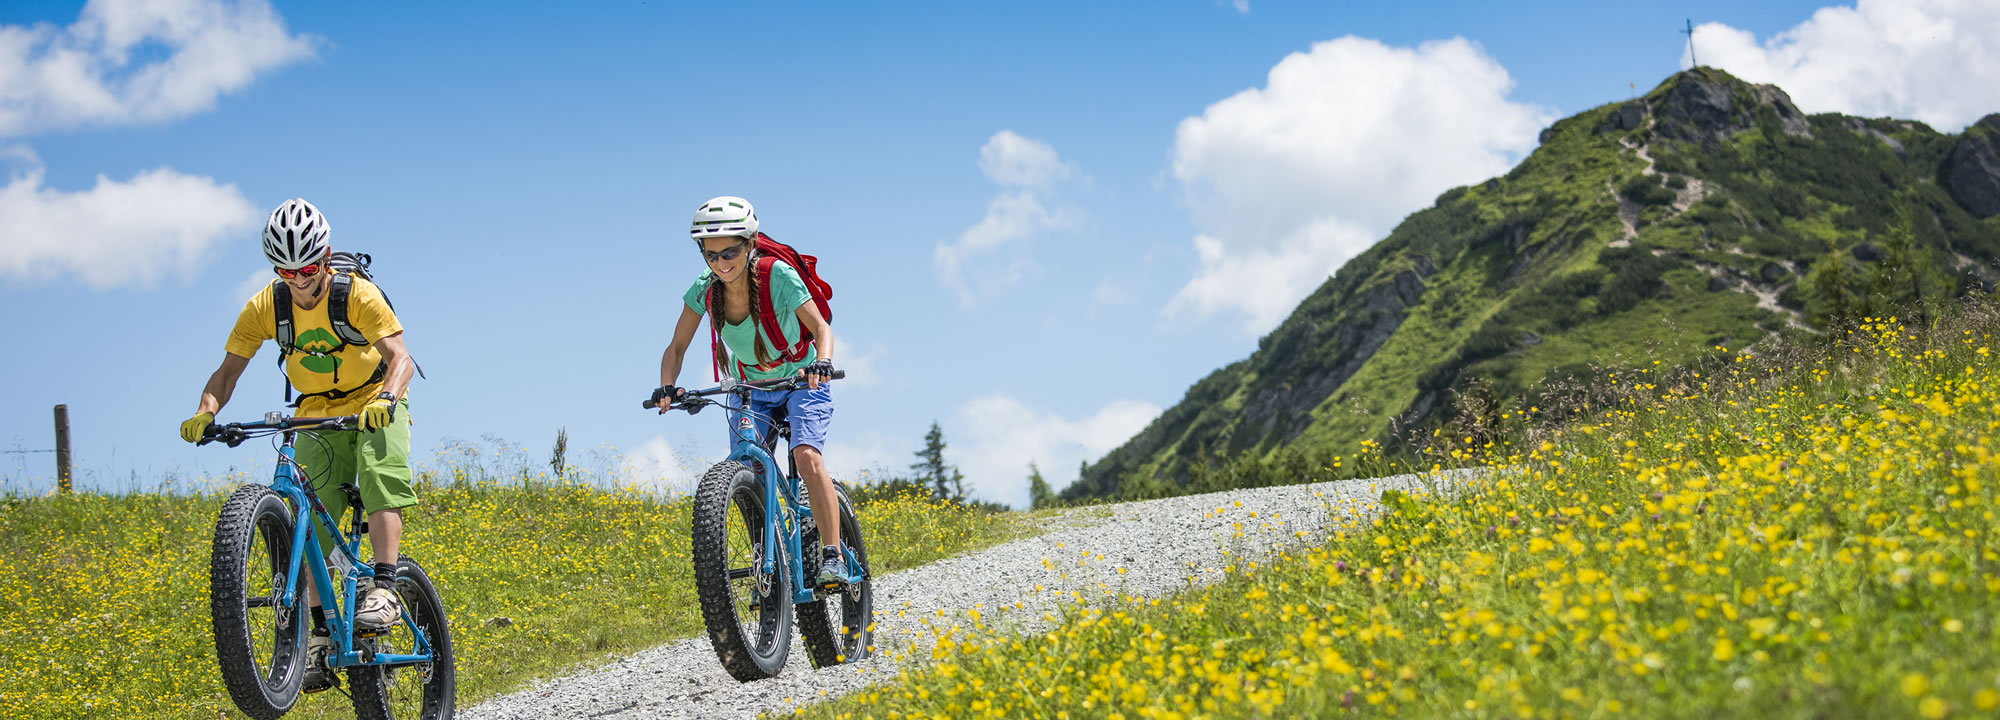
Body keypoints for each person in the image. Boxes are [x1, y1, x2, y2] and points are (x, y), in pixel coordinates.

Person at [178, 198, 419, 693]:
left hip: (376, 398)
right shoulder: (267, 306)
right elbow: (227, 372)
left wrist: (388, 398)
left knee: (378, 476)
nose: (300, 279)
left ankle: (386, 588)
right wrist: (206, 412)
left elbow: (402, 359)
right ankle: (315, 641)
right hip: (316, 409)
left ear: (325, 257)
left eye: (308, 266)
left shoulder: (358, 296)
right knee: (308, 512)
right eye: (286, 270)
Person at [653, 196, 844, 585]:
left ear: (750, 242)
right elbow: (676, 347)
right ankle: (766, 557)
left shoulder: (778, 276)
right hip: (751, 389)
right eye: (711, 256)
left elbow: (822, 328)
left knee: (806, 456)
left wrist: (821, 363)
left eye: (731, 252)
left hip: (801, 379)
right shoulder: (706, 290)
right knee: (746, 469)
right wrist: (668, 387)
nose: (722, 263)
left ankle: (833, 554)